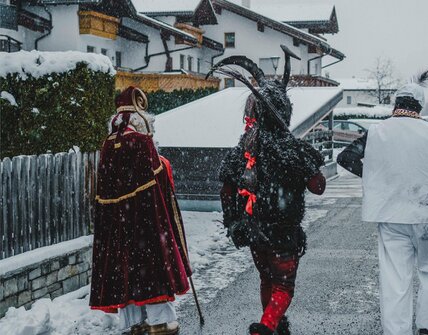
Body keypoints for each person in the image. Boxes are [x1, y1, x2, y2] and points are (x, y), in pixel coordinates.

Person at [337, 70, 428, 335]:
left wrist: (377, 176)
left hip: (392, 217)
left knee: (395, 279)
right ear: (419, 105)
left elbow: (346, 158)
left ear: (396, 104)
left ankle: (397, 331)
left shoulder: (376, 133)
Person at [208, 48, 326, 335]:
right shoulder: (292, 148)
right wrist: (307, 159)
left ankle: (273, 324)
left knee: (266, 279)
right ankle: (268, 324)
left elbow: (226, 185)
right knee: (284, 284)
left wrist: (233, 220)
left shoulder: (244, 146)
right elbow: (318, 186)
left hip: (254, 229)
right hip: (283, 232)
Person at [89, 86, 192, 335]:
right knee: (151, 267)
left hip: (117, 224)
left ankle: (133, 323)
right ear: (140, 119)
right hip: (146, 220)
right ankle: (159, 322)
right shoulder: (143, 142)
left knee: (123, 268)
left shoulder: (107, 145)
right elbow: (159, 179)